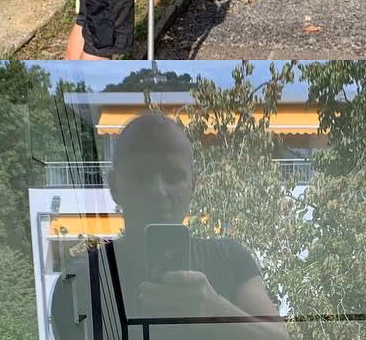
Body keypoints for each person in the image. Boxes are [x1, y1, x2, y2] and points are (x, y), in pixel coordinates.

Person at [49, 112, 287, 340]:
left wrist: (212, 308)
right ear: (114, 186)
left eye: (173, 176)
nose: (159, 191)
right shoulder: (78, 282)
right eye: (141, 176)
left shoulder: (231, 257)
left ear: (193, 184)